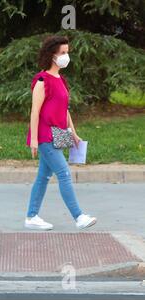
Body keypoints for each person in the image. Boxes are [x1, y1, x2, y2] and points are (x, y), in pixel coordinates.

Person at [25, 35, 97, 231]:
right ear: (52, 55)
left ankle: (31, 216)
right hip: (46, 135)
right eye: (63, 53)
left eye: (67, 53)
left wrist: (73, 133)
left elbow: (64, 109)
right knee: (64, 174)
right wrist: (33, 139)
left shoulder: (60, 79)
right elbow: (35, 111)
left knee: (43, 177)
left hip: (60, 133)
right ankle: (79, 217)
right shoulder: (42, 79)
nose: (66, 56)